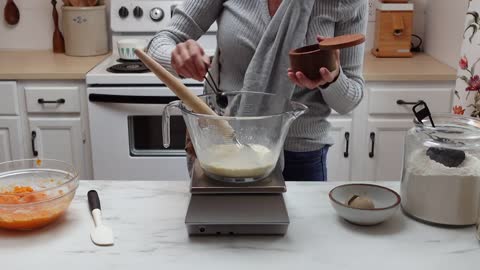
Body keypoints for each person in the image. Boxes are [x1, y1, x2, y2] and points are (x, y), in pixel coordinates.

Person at [148, 0, 368, 181]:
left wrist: (332, 79)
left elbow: (350, 99)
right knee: (221, 230)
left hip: (301, 155)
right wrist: (176, 57)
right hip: (222, 144)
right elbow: (159, 43)